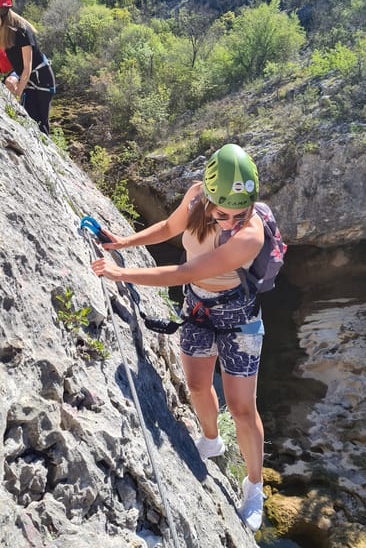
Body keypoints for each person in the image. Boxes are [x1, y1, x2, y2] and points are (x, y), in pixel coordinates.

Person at [91, 143, 268, 532]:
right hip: (198, 311)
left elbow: (183, 272)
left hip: (239, 319)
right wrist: (123, 242)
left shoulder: (248, 236)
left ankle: (254, 487)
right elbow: (170, 229)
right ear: (207, 194)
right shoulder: (195, 197)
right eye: (223, 213)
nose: (231, 221)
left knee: (241, 409)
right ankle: (210, 441)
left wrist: (121, 274)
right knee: (196, 386)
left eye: (241, 212)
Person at [0, 0, 56, 135]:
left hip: (42, 79)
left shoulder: (21, 30)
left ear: (0, 10)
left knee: (40, 124)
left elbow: (27, 67)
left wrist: (17, 94)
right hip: (28, 79)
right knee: (28, 119)